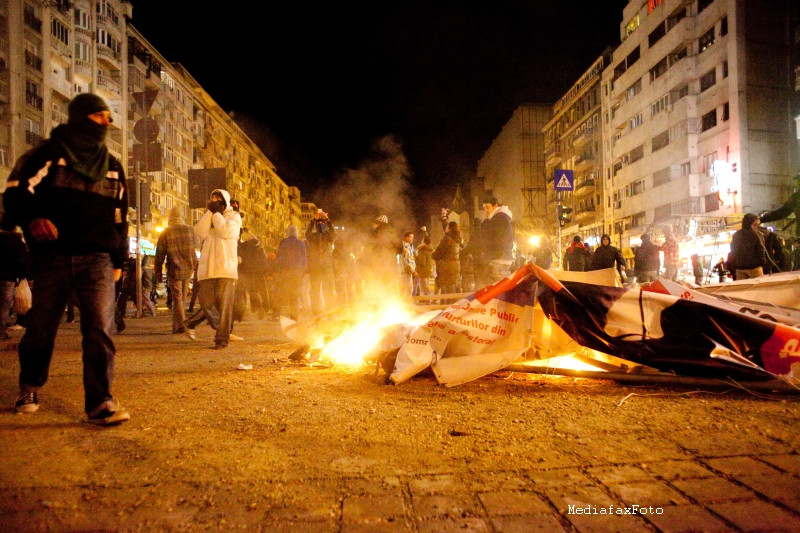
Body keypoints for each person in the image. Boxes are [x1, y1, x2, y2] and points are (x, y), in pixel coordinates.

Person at [2, 93, 130, 424]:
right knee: (41, 329)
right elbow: (15, 191)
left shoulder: (113, 168)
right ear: (81, 117)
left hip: (97, 260)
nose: (107, 123)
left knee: (100, 329)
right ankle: (29, 386)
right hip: (52, 258)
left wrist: (119, 261)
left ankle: (100, 401)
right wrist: (32, 219)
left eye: (109, 118)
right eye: (101, 116)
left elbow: (120, 219)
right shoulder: (48, 155)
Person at [185, 188, 241, 349]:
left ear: (225, 201)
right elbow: (200, 232)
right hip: (208, 269)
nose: (215, 201)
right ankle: (222, 328)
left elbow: (224, 232)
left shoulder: (234, 218)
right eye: (213, 198)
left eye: (218, 199)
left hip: (225, 268)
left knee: (224, 306)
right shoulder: (210, 215)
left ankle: (221, 339)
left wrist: (216, 214)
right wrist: (210, 212)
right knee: (205, 302)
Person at [154, 206, 198, 334]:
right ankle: (176, 326)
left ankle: (184, 324)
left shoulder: (166, 232)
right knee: (181, 298)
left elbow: (159, 254)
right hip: (188, 268)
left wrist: (158, 271)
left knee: (177, 298)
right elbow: (194, 247)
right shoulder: (190, 230)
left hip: (174, 269)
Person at [0, 220, 29, 340]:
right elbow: (22, 262)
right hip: (8, 278)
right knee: (4, 307)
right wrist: (23, 276)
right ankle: (1, 332)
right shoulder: (17, 243)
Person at [305, 209, 337, 314]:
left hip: (326, 268)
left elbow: (334, 233)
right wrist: (314, 220)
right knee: (315, 291)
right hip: (315, 268)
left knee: (329, 291)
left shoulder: (328, 236)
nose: (320, 225)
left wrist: (327, 220)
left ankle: (330, 312)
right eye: (318, 223)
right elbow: (307, 233)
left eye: (322, 223)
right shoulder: (313, 237)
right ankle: (316, 313)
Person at [478, 195, 514, 286]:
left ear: (495, 206)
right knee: (498, 288)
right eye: (484, 208)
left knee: (496, 291)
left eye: (487, 207)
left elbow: (494, 239)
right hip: (502, 258)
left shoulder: (498, 218)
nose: (486, 210)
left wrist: (490, 256)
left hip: (498, 260)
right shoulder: (502, 217)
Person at [275, 224, 307, 320]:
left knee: (280, 294)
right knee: (295, 296)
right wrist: (302, 273)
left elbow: (279, 258)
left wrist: (277, 270)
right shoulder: (301, 244)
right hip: (297, 274)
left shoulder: (283, 243)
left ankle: (277, 315)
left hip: (285, 273)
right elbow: (304, 260)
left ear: (288, 233)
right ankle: (294, 317)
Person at [237, 228, 270, 319]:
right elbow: (256, 239)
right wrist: (249, 231)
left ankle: (258, 308)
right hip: (258, 271)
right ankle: (264, 307)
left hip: (247, 272)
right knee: (262, 290)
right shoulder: (254, 244)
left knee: (252, 291)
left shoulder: (241, 245)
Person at [729, 213, 768, 280]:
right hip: (755, 268)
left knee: (743, 289)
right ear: (753, 223)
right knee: (758, 287)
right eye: (756, 225)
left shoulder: (736, 235)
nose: (757, 227)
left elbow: (733, 251)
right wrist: (762, 262)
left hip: (740, 268)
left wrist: (735, 264)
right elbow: (760, 250)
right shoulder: (755, 235)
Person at [431, 221, 463, 296]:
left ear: (449, 229)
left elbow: (438, 253)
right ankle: (455, 305)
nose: (445, 228)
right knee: (454, 288)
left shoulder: (446, 239)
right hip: (456, 267)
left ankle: (447, 306)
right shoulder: (458, 239)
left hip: (447, 268)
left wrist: (433, 255)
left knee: (447, 290)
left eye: (446, 227)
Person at [398, 231, 417, 296]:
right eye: (411, 237)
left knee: (405, 288)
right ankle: (406, 303)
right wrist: (413, 271)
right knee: (407, 288)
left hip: (406, 271)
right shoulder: (405, 246)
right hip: (406, 271)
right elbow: (407, 259)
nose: (412, 239)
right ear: (406, 237)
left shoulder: (409, 246)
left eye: (412, 237)